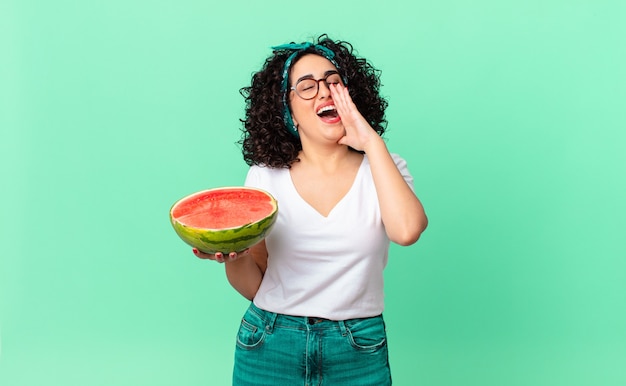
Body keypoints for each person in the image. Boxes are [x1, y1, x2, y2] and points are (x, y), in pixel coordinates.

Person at [193, 34, 427, 385]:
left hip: (357, 348)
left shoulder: (385, 166)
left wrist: (370, 142)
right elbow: (256, 284)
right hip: (270, 340)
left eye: (334, 81)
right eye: (306, 86)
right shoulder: (263, 177)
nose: (324, 91)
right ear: (286, 109)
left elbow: (407, 231)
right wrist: (233, 255)